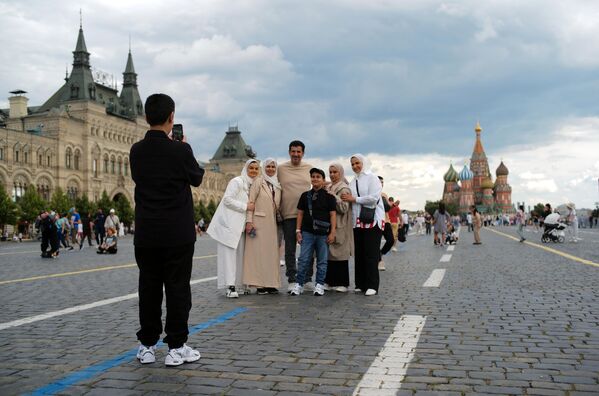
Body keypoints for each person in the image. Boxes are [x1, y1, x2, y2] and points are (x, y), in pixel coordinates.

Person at [130, 93, 204, 367]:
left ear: (147, 117)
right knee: (177, 288)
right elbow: (197, 178)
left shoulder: (136, 151)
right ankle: (176, 347)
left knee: (148, 288)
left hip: (147, 233)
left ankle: (147, 345)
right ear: (172, 118)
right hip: (177, 234)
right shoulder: (180, 150)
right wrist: (184, 148)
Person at [208, 159, 259, 298]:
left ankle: (240, 285)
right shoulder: (237, 181)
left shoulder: (253, 185)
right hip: (229, 226)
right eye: (251, 168)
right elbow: (227, 199)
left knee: (241, 256)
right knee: (228, 257)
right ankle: (229, 287)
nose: (253, 171)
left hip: (241, 228)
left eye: (256, 169)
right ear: (246, 169)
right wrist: (245, 206)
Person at [341, 154, 384, 296]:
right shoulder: (353, 181)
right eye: (352, 164)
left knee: (371, 254)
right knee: (359, 253)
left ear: (363, 163)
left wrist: (355, 199)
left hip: (372, 220)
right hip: (357, 222)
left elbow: (374, 198)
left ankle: (372, 285)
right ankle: (360, 283)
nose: (355, 166)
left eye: (357, 163)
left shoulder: (373, 178)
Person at [290, 168, 337, 296]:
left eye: (318, 177)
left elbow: (333, 215)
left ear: (323, 180)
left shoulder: (329, 197)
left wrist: (332, 232)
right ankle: (299, 284)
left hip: (323, 234)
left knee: (322, 261)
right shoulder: (305, 196)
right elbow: (300, 214)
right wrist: (298, 231)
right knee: (303, 259)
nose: (315, 179)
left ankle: (319, 285)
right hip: (307, 232)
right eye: (313, 176)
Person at [278, 140, 313, 292]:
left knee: (308, 249)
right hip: (288, 213)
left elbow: (318, 184)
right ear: (289, 152)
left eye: (299, 152)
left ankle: (307, 279)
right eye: (293, 151)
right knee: (290, 249)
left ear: (303, 153)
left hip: (307, 215)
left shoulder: (309, 168)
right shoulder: (281, 168)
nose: (296, 154)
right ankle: (292, 279)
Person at [243, 158, 282, 295]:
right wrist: (249, 221)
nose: (270, 169)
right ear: (263, 168)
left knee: (270, 255)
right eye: (268, 166)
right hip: (258, 223)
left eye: (273, 166)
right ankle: (259, 284)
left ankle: (270, 283)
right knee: (257, 255)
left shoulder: (277, 185)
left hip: (271, 225)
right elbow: (251, 202)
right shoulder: (258, 182)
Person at [324, 163, 353, 292]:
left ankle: (343, 283)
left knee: (340, 254)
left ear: (340, 173)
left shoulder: (343, 188)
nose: (332, 175)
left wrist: (332, 196)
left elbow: (344, 208)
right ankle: (330, 281)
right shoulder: (330, 186)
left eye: (335, 172)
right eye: (330, 172)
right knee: (329, 254)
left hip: (341, 224)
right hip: (330, 224)